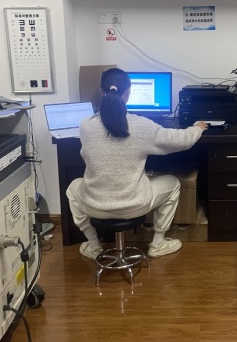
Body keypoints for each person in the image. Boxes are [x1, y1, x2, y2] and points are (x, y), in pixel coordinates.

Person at [67, 68, 208, 260]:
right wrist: (197, 128)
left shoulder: (85, 124)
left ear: (101, 91)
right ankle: (158, 243)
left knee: (72, 187)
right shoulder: (142, 125)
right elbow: (181, 140)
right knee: (174, 183)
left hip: (94, 205)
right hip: (134, 205)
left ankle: (93, 245)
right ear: (128, 93)